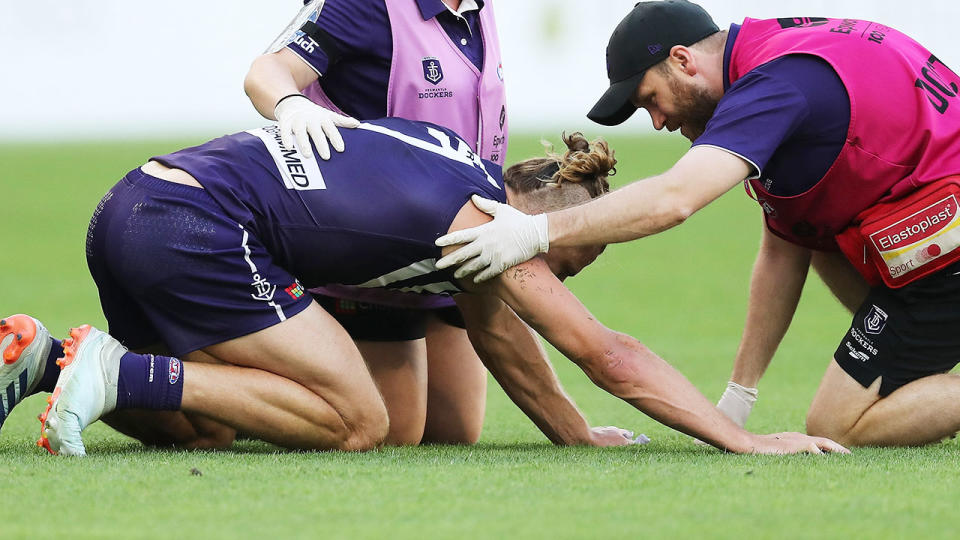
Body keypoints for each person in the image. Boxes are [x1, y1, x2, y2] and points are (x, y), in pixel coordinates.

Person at [11, 117, 843, 456]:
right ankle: (110, 370)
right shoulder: (493, 229)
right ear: (540, 219)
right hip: (193, 230)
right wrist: (742, 440)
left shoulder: (457, 161)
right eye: (563, 260)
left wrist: (575, 437)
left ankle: (48, 360)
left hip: (128, 206)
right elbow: (605, 352)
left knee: (202, 429)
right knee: (360, 419)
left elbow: (498, 339)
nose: (546, 272)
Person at [434, 0, 960, 448]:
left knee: (839, 423)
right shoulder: (772, 55)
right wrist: (739, 395)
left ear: (683, 60)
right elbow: (785, 246)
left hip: (943, 238)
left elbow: (675, 198)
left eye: (649, 101)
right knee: (817, 234)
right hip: (930, 226)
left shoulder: (774, 84)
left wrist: (536, 232)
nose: (658, 122)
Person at [243, 0, 509, 445]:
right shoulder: (366, 5)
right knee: (393, 433)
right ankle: (209, 383)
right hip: (375, 258)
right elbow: (266, 71)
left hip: (453, 245)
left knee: (456, 433)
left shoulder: (479, 10)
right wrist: (291, 104)